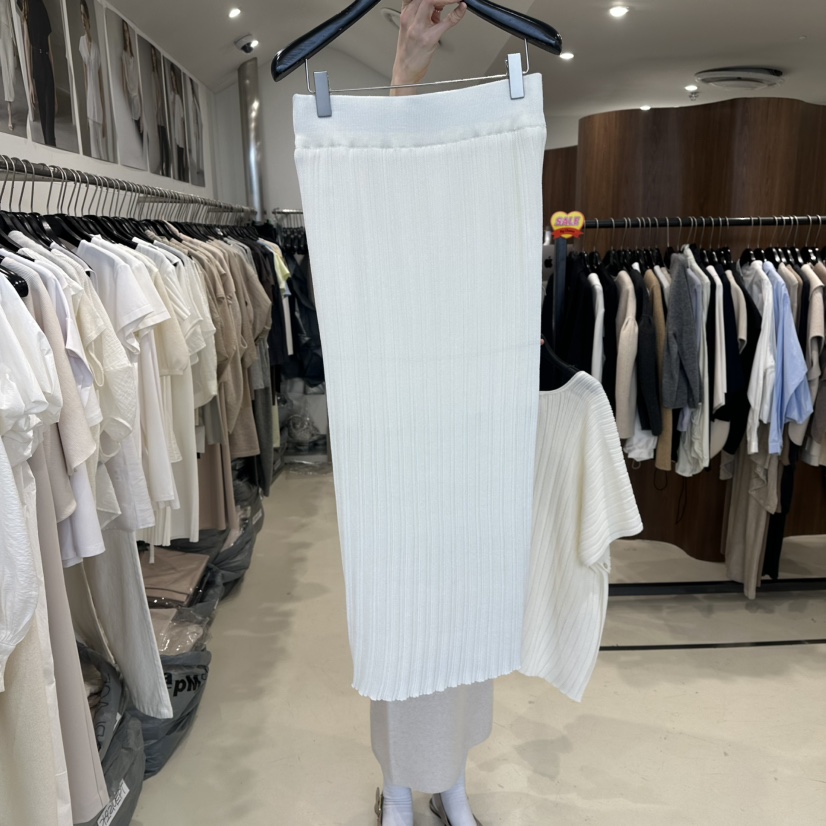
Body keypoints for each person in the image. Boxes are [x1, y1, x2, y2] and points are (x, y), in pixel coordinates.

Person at [20, 0, 56, 146]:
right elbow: (27, 48)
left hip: (45, 62)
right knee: (44, 114)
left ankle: (51, 146)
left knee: (49, 118)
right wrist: (30, 83)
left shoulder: (41, 9)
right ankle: (49, 147)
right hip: (38, 64)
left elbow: (50, 50)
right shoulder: (26, 13)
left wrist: (54, 90)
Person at [78, 0, 106, 160]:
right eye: (80, 15)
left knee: (102, 149)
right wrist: (87, 109)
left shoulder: (96, 48)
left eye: (84, 15)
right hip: (90, 102)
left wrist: (105, 117)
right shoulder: (81, 43)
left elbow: (100, 85)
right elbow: (85, 78)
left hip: (99, 105)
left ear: (88, 18)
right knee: (94, 150)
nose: (82, 19)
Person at [151, 46, 170, 176]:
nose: (153, 58)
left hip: (162, 117)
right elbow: (155, 98)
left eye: (154, 56)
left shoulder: (158, 76)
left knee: (165, 146)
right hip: (158, 117)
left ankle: (165, 170)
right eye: (152, 56)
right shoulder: (153, 76)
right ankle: (163, 170)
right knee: (162, 146)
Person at [120, 18, 141, 137]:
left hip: (137, 99)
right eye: (124, 31)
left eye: (127, 31)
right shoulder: (123, 56)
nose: (126, 34)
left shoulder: (133, 57)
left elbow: (138, 83)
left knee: (140, 134)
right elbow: (124, 83)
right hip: (130, 99)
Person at [0, 0, 17, 130]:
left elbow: (11, 15)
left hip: (6, 32)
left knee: (9, 72)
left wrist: (14, 40)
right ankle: (8, 114)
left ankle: (10, 112)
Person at [170, 68, 187, 181]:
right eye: (171, 78)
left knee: (181, 150)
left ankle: (182, 174)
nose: (173, 81)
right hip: (175, 128)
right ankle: (179, 174)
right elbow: (172, 112)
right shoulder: (172, 96)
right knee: (177, 151)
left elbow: (182, 117)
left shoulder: (178, 98)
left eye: (174, 78)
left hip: (179, 128)